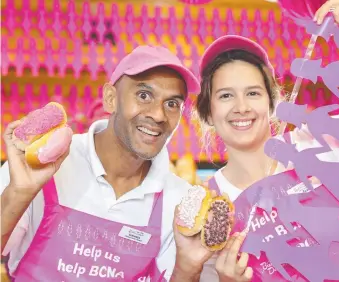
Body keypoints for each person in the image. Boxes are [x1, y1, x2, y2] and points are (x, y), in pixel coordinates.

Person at [0, 45, 206, 281]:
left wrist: (189, 268)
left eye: (172, 104)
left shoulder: (179, 200)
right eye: (144, 95)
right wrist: (19, 193)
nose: (158, 115)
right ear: (110, 99)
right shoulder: (46, 163)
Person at [189, 35, 339, 281]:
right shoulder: (210, 209)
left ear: (272, 101)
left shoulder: (323, 141)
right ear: (208, 113)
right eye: (225, 96)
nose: (241, 107)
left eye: (253, 93)